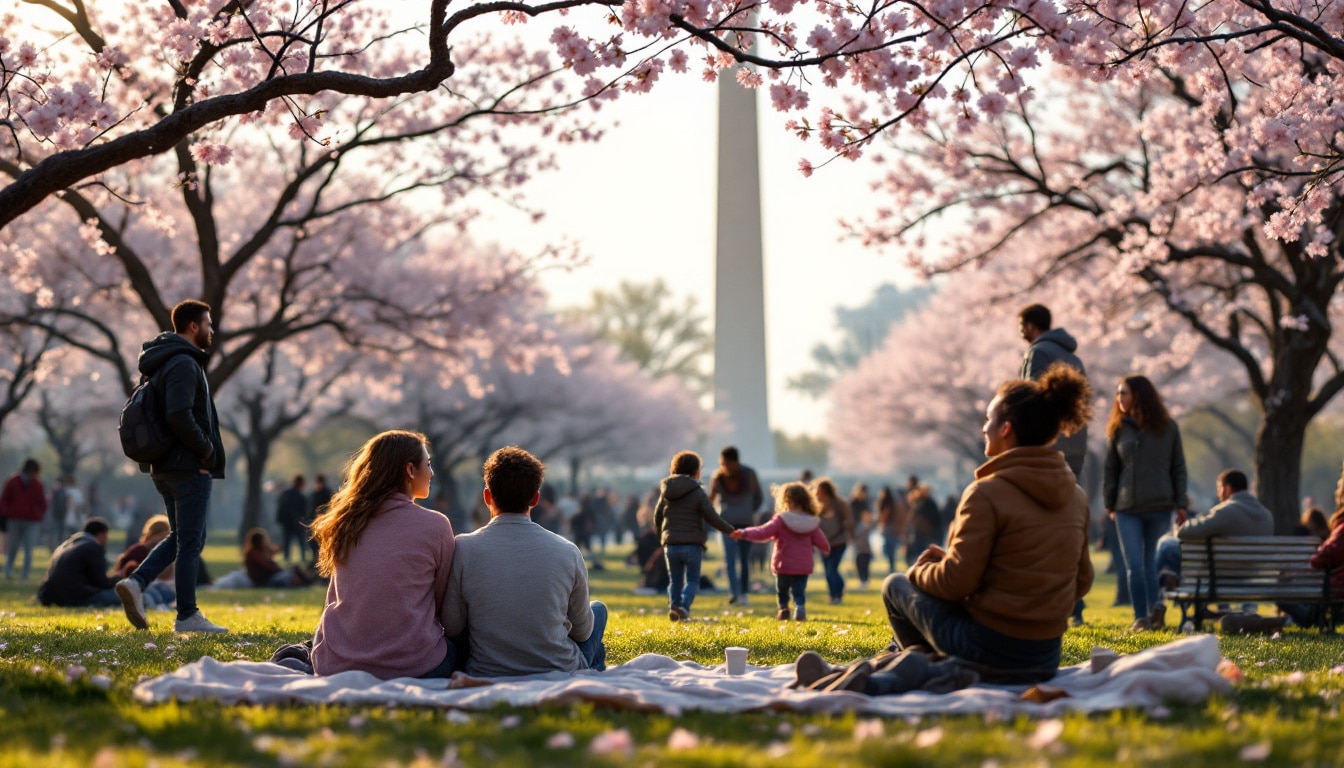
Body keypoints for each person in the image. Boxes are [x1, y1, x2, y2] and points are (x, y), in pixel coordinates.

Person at [882, 363, 1094, 680]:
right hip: (1045, 656)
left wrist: (920, 572)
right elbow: (1081, 582)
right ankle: (915, 664)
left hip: (988, 649)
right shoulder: (1076, 496)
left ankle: (934, 672)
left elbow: (956, 583)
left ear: (1006, 428)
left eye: (988, 419)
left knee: (894, 585)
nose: (983, 428)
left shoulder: (985, 493)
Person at [442, 446, 608, 676]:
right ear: (536, 498)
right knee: (599, 610)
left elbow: (452, 626)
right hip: (559, 668)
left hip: (487, 669)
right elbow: (582, 632)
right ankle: (595, 663)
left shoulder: (463, 547)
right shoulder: (567, 550)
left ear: (487, 496)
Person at [115, 299, 228, 634]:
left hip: (167, 466)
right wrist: (205, 449)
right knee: (191, 541)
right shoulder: (182, 362)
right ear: (193, 326)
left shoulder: (164, 362)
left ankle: (137, 584)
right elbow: (178, 414)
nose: (211, 329)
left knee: (182, 537)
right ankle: (186, 615)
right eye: (208, 323)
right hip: (187, 466)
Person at [310, 430, 457, 679]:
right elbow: (444, 604)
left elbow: (335, 598)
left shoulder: (346, 522)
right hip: (416, 666)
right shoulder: (436, 525)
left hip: (338, 663)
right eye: (428, 465)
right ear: (410, 470)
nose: (431, 473)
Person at [1018, 302, 1090, 627]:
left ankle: (1042, 600)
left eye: (1022, 326)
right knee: (1066, 524)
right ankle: (1072, 602)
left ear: (1032, 325)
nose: (1021, 332)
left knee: (1038, 524)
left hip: (1046, 448)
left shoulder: (1038, 353)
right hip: (1075, 445)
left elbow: (1031, 401)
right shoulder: (1074, 357)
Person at [1103, 374, 1188, 632]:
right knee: (1134, 567)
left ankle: (1155, 613)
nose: (1119, 398)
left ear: (1138, 395)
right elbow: (1111, 469)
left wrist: (1180, 503)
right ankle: (1140, 618)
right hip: (1127, 508)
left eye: (1124, 393)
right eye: (1118, 393)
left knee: (1151, 565)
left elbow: (1178, 468)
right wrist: (1110, 502)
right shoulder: (1118, 429)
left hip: (1160, 505)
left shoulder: (1168, 427)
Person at [653, 451, 736, 621]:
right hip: (692, 544)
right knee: (692, 581)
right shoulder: (698, 491)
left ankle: (674, 607)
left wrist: (663, 535)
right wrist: (730, 530)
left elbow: (657, 516)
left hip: (671, 543)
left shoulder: (666, 490)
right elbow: (711, 516)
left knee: (675, 581)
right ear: (696, 471)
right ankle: (683, 607)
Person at [1154, 469, 1273, 588]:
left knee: (1166, 543)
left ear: (1227, 489)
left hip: (1221, 574)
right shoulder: (1267, 515)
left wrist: (1178, 527)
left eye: (1219, 488)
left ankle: (1159, 597)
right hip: (1251, 574)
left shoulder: (1227, 511)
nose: (1218, 494)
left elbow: (1186, 532)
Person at [733, 482, 830, 621]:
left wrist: (744, 533)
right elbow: (821, 541)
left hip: (783, 564)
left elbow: (763, 532)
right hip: (803, 566)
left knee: (782, 591)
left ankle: (783, 609)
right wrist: (825, 549)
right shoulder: (811, 523)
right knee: (798, 591)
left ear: (786, 501)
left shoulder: (781, 520)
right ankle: (800, 607)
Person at [38, 518, 172, 609]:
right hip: (79, 596)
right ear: (102, 534)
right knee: (130, 597)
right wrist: (119, 576)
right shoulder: (92, 548)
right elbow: (102, 582)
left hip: (57, 596)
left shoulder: (66, 546)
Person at [708, 446, 763, 606]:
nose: (724, 466)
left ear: (734, 461)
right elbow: (758, 498)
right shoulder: (746, 474)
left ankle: (740, 592)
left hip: (736, 522)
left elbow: (711, 500)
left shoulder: (721, 476)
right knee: (732, 560)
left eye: (725, 463)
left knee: (740, 560)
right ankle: (736, 592)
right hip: (732, 523)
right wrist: (749, 510)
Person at [112, 515, 177, 607]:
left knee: (168, 593)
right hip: (136, 586)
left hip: (149, 586)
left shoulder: (161, 553)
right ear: (156, 535)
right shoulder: (140, 551)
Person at [2, 458, 47, 581]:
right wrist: (8, 513)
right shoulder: (12, 481)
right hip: (14, 520)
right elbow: (5, 499)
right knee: (12, 548)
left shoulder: (37, 484)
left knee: (28, 549)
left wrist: (38, 515)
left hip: (31, 521)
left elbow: (42, 503)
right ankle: (8, 572)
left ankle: (24, 576)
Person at [813, 478, 854, 604]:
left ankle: (838, 593)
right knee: (827, 570)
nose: (818, 493)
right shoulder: (817, 506)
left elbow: (849, 521)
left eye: (820, 491)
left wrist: (847, 530)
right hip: (823, 543)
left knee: (832, 569)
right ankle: (833, 594)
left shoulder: (840, 504)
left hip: (839, 541)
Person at [242, 528, 316, 587]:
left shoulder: (260, 551)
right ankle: (308, 582)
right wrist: (283, 570)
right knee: (291, 572)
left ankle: (308, 581)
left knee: (293, 569)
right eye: (265, 539)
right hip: (265, 581)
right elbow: (269, 566)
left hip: (268, 578)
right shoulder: (254, 553)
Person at [275, 474, 308, 563]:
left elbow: (280, 506)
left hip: (286, 522)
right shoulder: (300, 496)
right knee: (301, 542)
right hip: (298, 522)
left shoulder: (286, 494)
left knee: (287, 542)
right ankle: (303, 558)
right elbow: (303, 511)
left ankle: (287, 558)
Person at [877, 485, 906, 573]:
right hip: (891, 530)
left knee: (889, 550)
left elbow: (883, 517)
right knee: (889, 550)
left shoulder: (890, 504)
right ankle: (892, 566)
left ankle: (892, 566)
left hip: (890, 530)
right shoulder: (894, 504)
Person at [852, 500, 876, 590]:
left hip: (865, 549)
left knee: (864, 566)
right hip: (859, 549)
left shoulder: (867, 525)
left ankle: (864, 581)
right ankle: (862, 581)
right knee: (860, 566)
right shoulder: (859, 525)